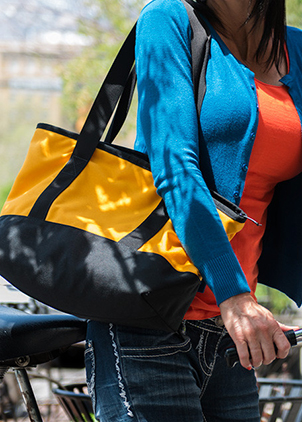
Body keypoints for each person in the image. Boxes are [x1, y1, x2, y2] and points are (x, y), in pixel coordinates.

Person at [85, 0, 302, 420]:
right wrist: (233, 294)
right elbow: (174, 166)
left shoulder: (295, 48)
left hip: (232, 336)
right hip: (149, 321)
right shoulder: (169, 19)